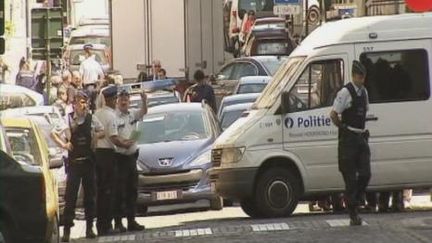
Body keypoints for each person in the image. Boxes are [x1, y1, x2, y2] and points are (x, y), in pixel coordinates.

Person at [51, 91, 104, 242]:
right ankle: (67, 230)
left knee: (90, 197)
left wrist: (95, 137)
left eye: (85, 102)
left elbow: (102, 132)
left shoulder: (91, 118)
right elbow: (53, 133)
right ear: (74, 104)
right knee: (70, 198)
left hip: (88, 163)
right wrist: (64, 144)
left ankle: (89, 228)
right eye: (81, 102)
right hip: (74, 164)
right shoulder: (67, 120)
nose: (84, 105)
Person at [330, 60, 371, 226]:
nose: (362, 80)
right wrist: (343, 128)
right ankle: (353, 212)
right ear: (354, 75)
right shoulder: (345, 92)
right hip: (348, 139)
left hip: (361, 137)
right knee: (350, 179)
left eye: (363, 77)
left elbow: (364, 112)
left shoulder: (364, 92)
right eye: (360, 76)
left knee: (365, 173)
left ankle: (357, 198)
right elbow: (333, 114)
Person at [94, 85, 136, 235]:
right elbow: (114, 137)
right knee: (109, 192)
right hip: (108, 155)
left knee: (100, 192)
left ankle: (100, 226)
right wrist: (126, 143)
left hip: (97, 154)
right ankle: (106, 226)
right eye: (115, 98)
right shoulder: (111, 116)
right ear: (112, 100)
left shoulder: (97, 113)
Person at [113, 89, 147, 232]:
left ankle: (131, 221)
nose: (124, 100)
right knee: (119, 192)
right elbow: (112, 136)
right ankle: (118, 222)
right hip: (119, 158)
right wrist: (123, 143)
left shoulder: (132, 114)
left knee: (132, 190)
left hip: (132, 158)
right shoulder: (113, 116)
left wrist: (144, 100)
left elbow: (143, 112)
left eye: (126, 97)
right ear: (117, 100)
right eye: (121, 97)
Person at [79, 44, 105, 111]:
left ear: (85, 52)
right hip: (95, 87)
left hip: (87, 87)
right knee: (94, 105)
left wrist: (80, 87)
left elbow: (80, 77)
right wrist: (99, 87)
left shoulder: (83, 63)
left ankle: (88, 119)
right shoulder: (96, 63)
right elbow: (102, 76)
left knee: (86, 105)